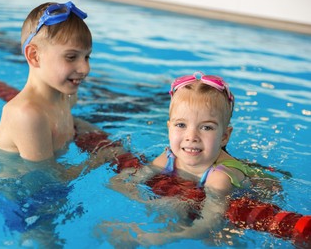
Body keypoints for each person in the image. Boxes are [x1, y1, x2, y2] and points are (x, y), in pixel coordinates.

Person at [108, 71, 279, 246]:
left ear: (224, 136)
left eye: (206, 127)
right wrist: (128, 186)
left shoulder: (219, 178)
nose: (191, 136)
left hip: (249, 195)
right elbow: (133, 179)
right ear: (169, 128)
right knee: (174, 208)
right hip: (196, 192)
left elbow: (208, 224)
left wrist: (165, 237)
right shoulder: (169, 156)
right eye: (181, 125)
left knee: (218, 239)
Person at [0, 1, 121, 166]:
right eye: (71, 57)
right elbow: (45, 181)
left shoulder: (67, 97)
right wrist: (97, 160)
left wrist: (98, 136)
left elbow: (69, 123)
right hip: (20, 189)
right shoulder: (27, 115)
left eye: (87, 57)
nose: (85, 68)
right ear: (34, 56)